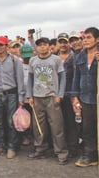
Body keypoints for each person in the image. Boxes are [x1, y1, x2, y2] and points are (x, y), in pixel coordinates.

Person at [71, 27, 99, 173]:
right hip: (86, 98)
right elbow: (76, 78)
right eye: (84, 38)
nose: (85, 40)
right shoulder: (79, 57)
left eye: (89, 37)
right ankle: (90, 156)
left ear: (97, 40)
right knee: (88, 129)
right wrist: (74, 97)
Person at [26, 37, 68, 165]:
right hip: (37, 97)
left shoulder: (56, 59)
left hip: (51, 96)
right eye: (39, 45)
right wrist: (30, 96)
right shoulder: (33, 60)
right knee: (38, 126)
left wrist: (59, 95)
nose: (42, 47)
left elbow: (63, 77)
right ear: (37, 47)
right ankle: (40, 149)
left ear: (49, 46)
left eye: (45, 45)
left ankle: (61, 152)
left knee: (57, 126)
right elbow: (30, 79)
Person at [0, 35, 25, 159]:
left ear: (6, 46)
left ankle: (11, 147)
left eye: (1, 45)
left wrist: (21, 98)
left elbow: (20, 79)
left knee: (11, 122)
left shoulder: (15, 60)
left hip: (11, 94)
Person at [56, 32, 79, 158]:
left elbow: (76, 76)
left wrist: (74, 95)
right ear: (57, 44)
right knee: (58, 123)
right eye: (61, 42)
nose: (63, 44)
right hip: (56, 95)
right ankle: (60, 148)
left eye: (65, 42)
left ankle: (73, 148)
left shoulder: (74, 57)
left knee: (71, 123)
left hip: (70, 93)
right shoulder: (53, 57)